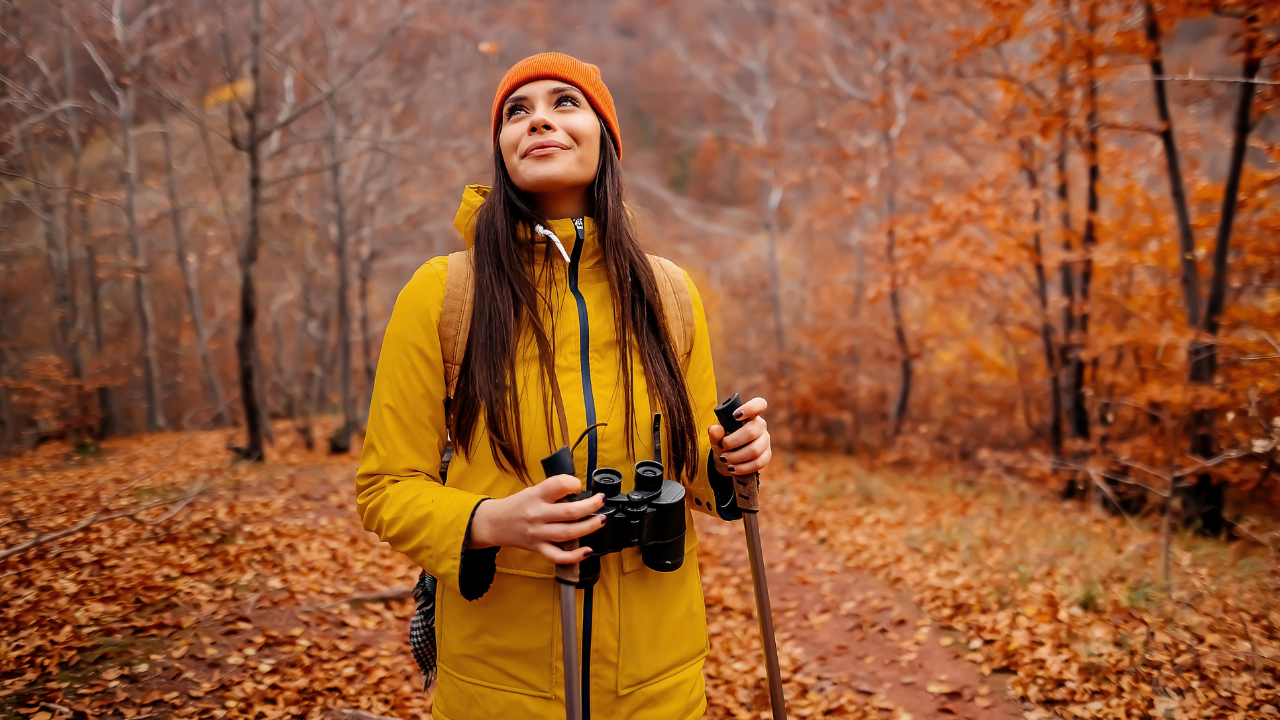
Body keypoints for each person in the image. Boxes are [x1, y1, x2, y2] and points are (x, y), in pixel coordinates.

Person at [355, 51, 773, 720]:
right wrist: (491, 520)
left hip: (657, 686)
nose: (538, 121)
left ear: (605, 138)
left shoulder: (669, 294)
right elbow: (385, 487)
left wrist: (729, 458)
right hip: (501, 689)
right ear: (501, 148)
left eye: (564, 103)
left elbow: (693, 465)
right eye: (517, 112)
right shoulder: (444, 295)